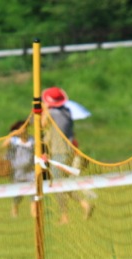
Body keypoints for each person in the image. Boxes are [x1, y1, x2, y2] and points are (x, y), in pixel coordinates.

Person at [41, 86, 92, 224]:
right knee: (63, 183)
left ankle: (69, 212)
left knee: (58, 184)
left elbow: (42, 123)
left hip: (60, 152)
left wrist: (44, 110)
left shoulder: (53, 113)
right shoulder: (67, 111)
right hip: (67, 151)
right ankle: (79, 205)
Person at [3, 119, 36, 217]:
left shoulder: (32, 140)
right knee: (18, 194)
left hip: (30, 171)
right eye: (21, 129)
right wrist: (12, 134)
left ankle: (34, 213)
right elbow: (4, 145)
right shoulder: (14, 141)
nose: (23, 131)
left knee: (34, 194)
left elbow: (39, 148)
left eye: (25, 128)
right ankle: (14, 208)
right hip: (17, 172)